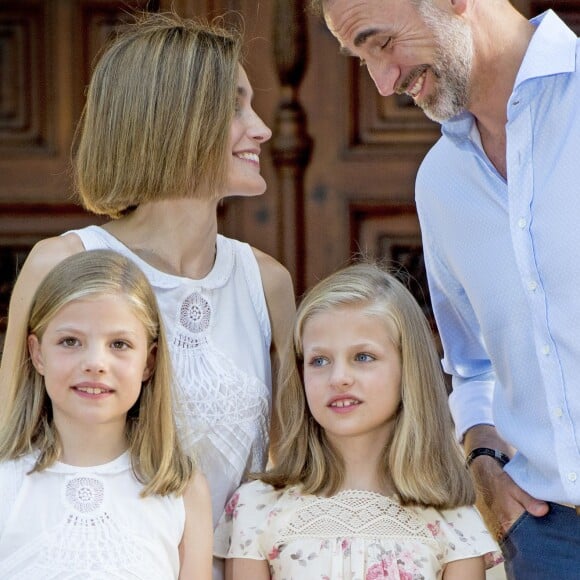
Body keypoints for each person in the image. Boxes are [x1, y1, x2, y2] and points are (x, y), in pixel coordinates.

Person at [0, 12, 295, 580]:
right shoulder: (62, 264)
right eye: (235, 107)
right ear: (173, 118)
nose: (260, 127)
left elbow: (294, 469)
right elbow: (15, 438)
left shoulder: (267, 283)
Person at [311, 0, 580, 577]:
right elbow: (473, 366)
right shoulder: (441, 182)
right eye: (362, 60)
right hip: (547, 540)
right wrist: (481, 456)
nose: (383, 84)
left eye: (381, 43)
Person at [214, 262, 500, 579]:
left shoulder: (455, 522)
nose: (338, 378)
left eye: (363, 357)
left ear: (409, 369)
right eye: (319, 360)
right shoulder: (256, 510)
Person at [0, 249, 212, 579]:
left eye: (119, 345)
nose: (95, 363)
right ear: (37, 354)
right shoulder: (6, 480)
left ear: (149, 361)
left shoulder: (182, 490)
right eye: (70, 341)